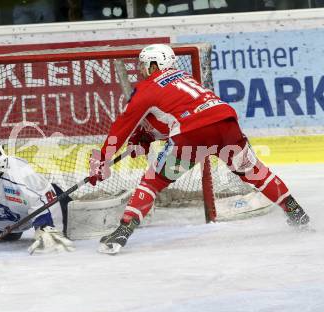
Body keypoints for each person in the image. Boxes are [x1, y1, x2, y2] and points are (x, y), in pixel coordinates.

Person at [89, 44, 310, 254]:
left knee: (153, 181)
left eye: (144, 65)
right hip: (226, 123)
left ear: (154, 65)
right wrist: (147, 136)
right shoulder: (185, 78)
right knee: (256, 173)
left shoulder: (147, 88)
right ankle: (296, 212)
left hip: (192, 134)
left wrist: (103, 159)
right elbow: (175, 118)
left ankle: (122, 232)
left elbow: (122, 127)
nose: (142, 71)